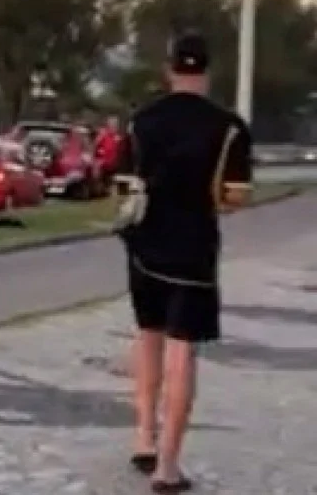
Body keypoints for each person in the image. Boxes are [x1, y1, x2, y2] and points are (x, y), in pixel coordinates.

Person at [113, 31, 253, 493]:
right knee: (181, 351)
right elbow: (234, 199)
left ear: (169, 68)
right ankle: (167, 467)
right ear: (207, 71)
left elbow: (122, 186)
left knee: (147, 336)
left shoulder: (141, 121)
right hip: (192, 249)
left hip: (145, 242)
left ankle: (143, 437)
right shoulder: (230, 128)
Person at [94, 115, 124, 192]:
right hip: (103, 164)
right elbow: (95, 145)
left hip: (112, 166)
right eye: (112, 124)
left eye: (116, 124)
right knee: (100, 183)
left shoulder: (117, 137)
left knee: (109, 184)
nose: (114, 126)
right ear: (108, 124)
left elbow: (120, 152)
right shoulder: (103, 134)